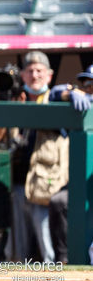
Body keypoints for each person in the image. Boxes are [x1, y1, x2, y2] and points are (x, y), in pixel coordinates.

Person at [0, 51, 68, 263]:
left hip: (46, 185)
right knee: (17, 252)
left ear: (49, 75)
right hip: (17, 184)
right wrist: (11, 108)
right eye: (30, 70)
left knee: (48, 247)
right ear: (22, 75)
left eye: (39, 70)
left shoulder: (54, 98)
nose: (34, 75)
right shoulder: (15, 99)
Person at [45, 63, 93, 263]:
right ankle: (64, 260)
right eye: (87, 83)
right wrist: (70, 94)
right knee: (59, 202)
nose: (89, 88)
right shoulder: (81, 106)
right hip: (84, 184)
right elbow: (54, 94)